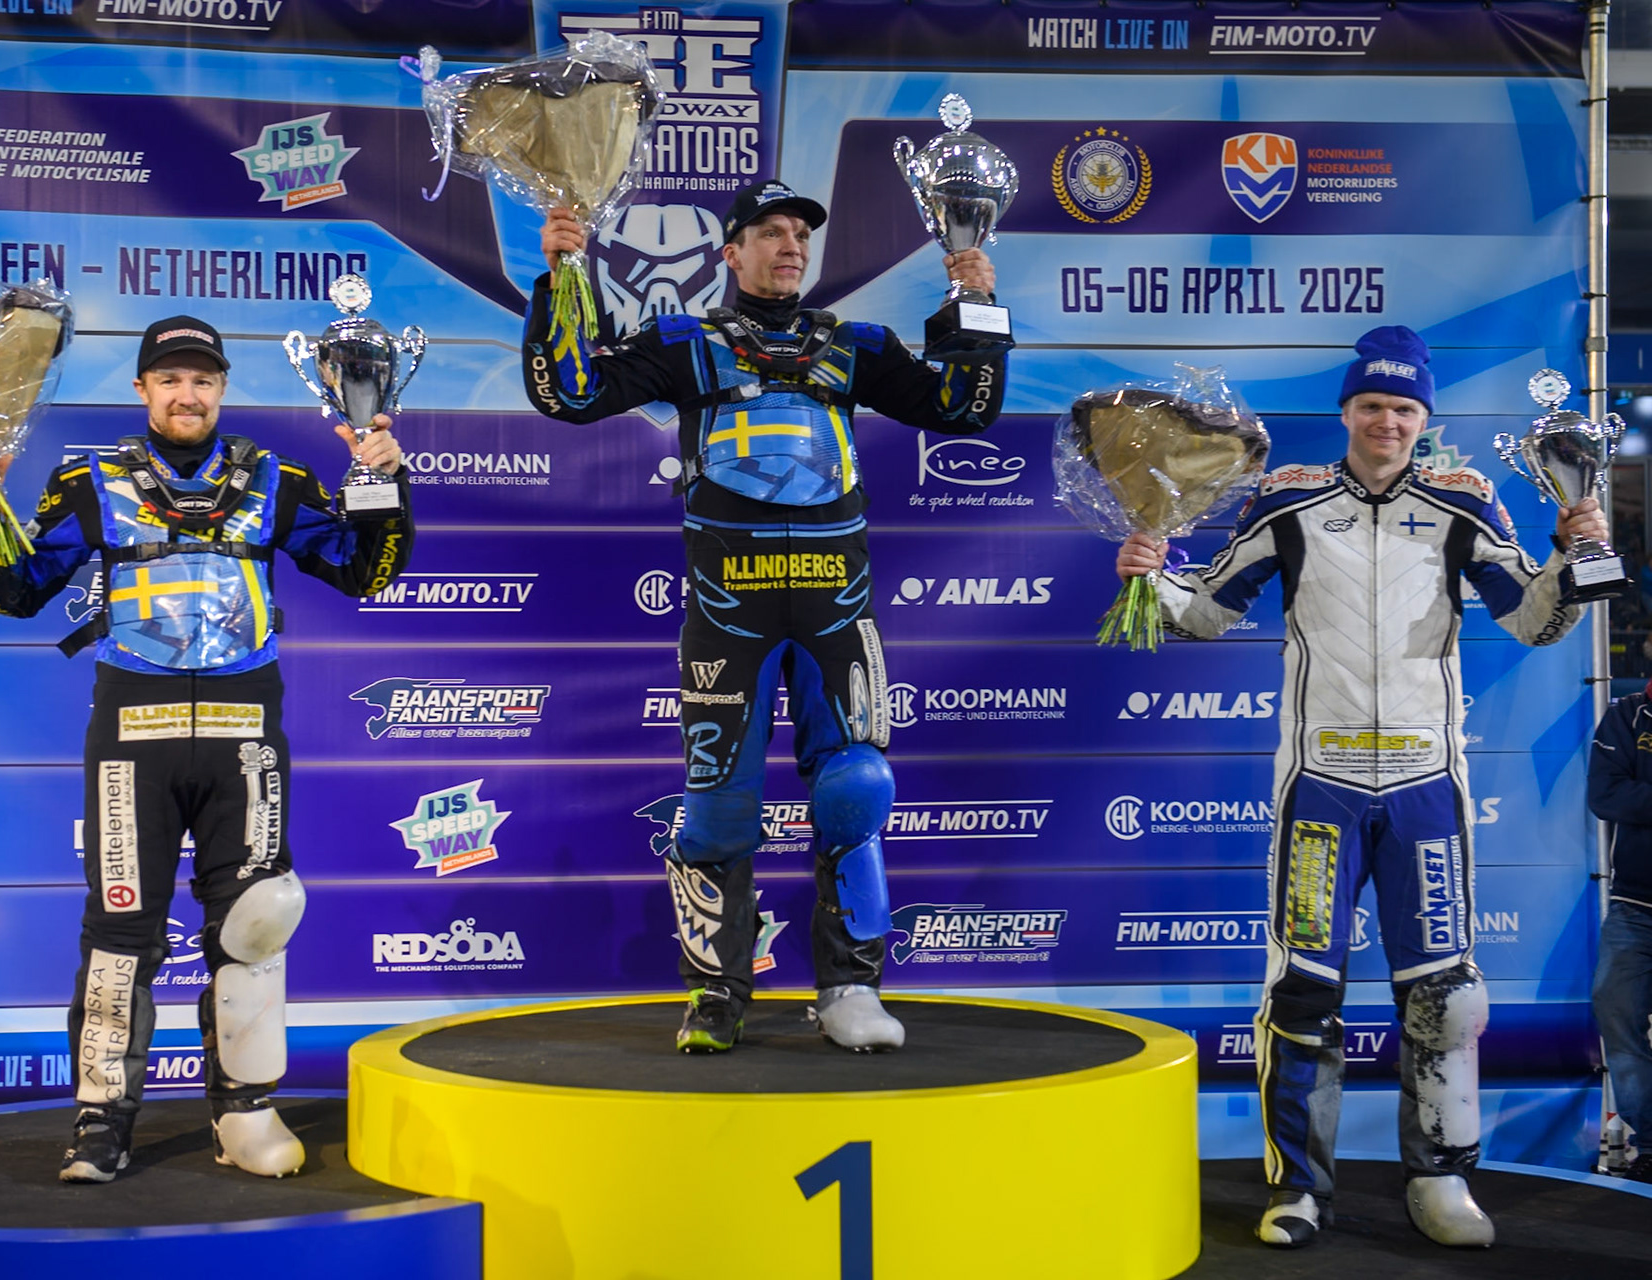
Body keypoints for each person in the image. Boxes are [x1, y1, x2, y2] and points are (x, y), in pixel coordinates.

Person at [1114, 325, 1604, 1248]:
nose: (1387, 421)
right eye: (1372, 406)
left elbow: (1536, 623)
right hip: (1322, 790)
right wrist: (1156, 584)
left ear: (1425, 419)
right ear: (1346, 412)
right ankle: (1299, 1188)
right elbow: (1212, 612)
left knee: (1447, 994)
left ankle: (1443, 1181)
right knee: (1301, 989)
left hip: (1426, 787)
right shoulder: (1287, 501)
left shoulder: (1465, 502)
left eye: (1405, 408)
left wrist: (1574, 555)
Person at [522, 180, 1006, 1053]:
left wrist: (974, 305)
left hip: (836, 605)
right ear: (730, 253)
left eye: (799, 236)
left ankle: (851, 988)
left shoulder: (851, 344)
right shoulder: (684, 341)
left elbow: (962, 408)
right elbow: (570, 393)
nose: (790, 247)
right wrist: (564, 274)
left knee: (857, 787)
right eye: (770, 233)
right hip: (728, 611)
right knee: (714, 808)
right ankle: (716, 995)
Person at [0, 315, 413, 1182]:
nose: (186, 394)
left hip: (243, 734)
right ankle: (100, 1122)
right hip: (133, 736)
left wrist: (386, 483)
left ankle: (245, 1112)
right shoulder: (90, 478)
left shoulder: (278, 478)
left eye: (202, 380)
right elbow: (16, 589)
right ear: (142, 389)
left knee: (256, 925)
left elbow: (361, 569)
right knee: (121, 930)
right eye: (169, 379)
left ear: (222, 390)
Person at [1588, 681, 1652, 1183]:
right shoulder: (1629, 714)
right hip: (1634, 907)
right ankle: (1649, 1143)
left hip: (1632, 908)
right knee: (1618, 1018)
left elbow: (1627, 793)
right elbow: (1606, 795)